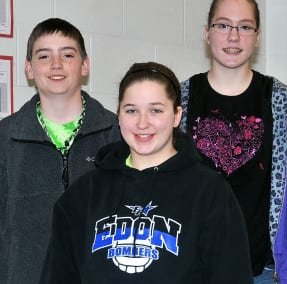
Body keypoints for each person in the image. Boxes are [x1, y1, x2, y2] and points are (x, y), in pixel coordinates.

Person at [39, 61, 252, 283]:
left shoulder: (210, 193)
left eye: (155, 110)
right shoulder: (83, 194)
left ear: (176, 116)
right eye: (131, 110)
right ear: (118, 115)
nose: (142, 123)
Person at [0, 18, 121, 284]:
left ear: (85, 65)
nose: (56, 64)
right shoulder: (5, 137)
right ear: (29, 69)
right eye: (44, 56)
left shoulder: (118, 134)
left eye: (68, 54)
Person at [180, 0, 287, 283]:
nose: (233, 36)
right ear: (207, 33)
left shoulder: (279, 101)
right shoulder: (179, 99)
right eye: (223, 25)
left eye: (245, 27)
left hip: (262, 272)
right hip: (192, 268)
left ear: (257, 35)